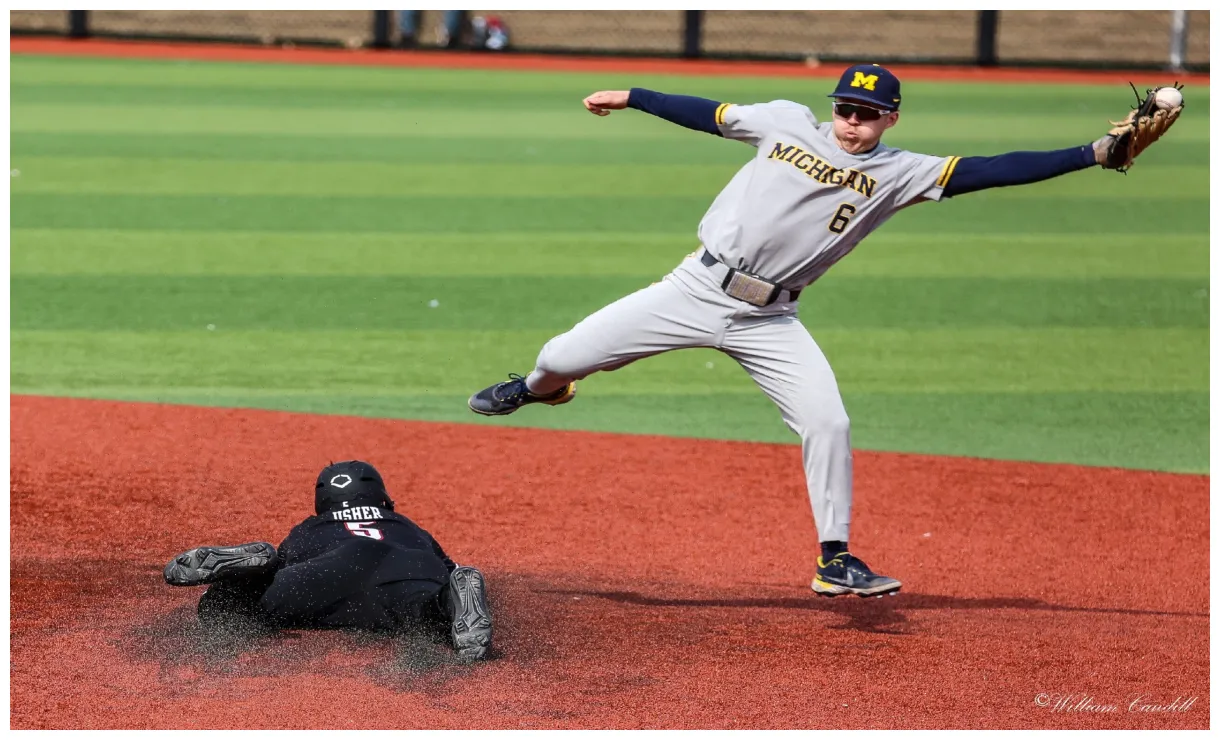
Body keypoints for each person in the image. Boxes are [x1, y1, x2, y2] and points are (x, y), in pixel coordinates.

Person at [468, 63, 1126, 599]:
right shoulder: (784, 121)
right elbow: (709, 113)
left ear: (891, 119)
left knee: (829, 422)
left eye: (868, 113)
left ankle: (835, 559)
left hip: (770, 319)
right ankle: (538, 390)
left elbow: (996, 168)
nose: (853, 121)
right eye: (846, 108)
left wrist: (1093, 153)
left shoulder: (903, 172)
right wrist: (634, 96)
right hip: (693, 289)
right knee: (562, 355)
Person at [163, 460, 493, 661]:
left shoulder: (311, 526)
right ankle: (448, 601)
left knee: (227, 609)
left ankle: (249, 570)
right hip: (405, 566)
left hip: (333, 566)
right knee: (429, 614)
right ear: (381, 497)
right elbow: (447, 568)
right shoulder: (407, 525)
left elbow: (288, 567)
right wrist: (447, 583)